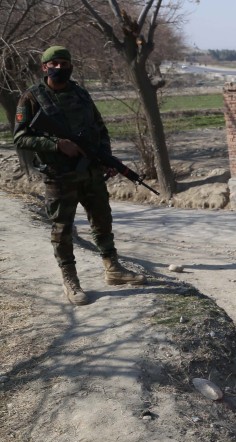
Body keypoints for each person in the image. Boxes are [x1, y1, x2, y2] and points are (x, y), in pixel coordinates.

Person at [13, 45, 147, 306]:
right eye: (55, 64)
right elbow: (20, 137)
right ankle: (70, 280)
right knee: (62, 228)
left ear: (71, 66)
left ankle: (113, 268)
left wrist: (106, 158)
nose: (60, 68)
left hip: (90, 171)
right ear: (45, 68)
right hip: (59, 176)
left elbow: (100, 128)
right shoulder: (31, 97)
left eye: (64, 63)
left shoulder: (81, 94)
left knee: (102, 219)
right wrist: (55, 145)